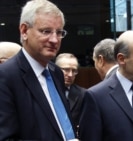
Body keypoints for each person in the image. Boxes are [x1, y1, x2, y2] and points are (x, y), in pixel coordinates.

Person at [0, 0, 78, 140]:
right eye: (46, 31)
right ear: (24, 31)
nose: (54, 40)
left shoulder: (56, 73)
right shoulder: (6, 76)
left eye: (59, 32)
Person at [55, 53, 86, 137]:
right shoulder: (46, 90)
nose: (70, 75)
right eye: (66, 69)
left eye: (74, 71)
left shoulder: (83, 94)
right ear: (55, 69)